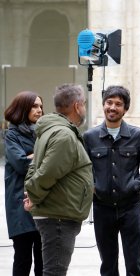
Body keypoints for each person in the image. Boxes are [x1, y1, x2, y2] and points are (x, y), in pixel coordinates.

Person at [83, 85, 140, 276]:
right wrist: (93, 187)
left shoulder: (137, 135)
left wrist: (136, 185)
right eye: (109, 102)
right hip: (102, 208)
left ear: (125, 109)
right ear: (103, 105)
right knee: (107, 264)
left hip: (130, 208)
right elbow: (82, 169)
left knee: (134, 263)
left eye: (118, 104)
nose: (112, 107)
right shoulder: (90, 137)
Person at [24, 84, 93, 276]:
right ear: (77, 106)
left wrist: (31, 194)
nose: (84, 108)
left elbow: (33, 167)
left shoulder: (54, 131)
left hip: (58, 213)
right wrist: (33, 196)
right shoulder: (63, 135)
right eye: (84, 104)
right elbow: (47, 173)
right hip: (58, 216)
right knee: (54, 272)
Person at [4, 91, 43, 276]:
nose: (39, 110)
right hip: (20, 203)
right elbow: (20, 164)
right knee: (22, 258)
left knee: (44, 260)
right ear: (23, 108)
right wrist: (41, 156)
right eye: (35, 106)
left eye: (41, 106)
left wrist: (32, 156)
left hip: (43, 202)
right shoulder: (11, 134)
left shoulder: (43, 132)